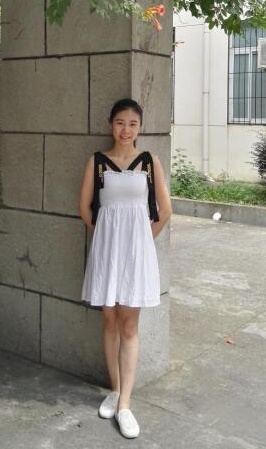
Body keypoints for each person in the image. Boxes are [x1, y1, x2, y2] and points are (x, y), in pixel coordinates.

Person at [78, 98, 172, 439]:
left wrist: (141, 242)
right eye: (120, 122)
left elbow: (165, 210)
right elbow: (84, 209)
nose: (126, 129)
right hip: (107, 253)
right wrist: (108, 237)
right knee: (109, 319)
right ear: (110, 124)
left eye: (132, 124)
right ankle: (115, 390)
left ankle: (126, 406)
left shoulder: (149, 162)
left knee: (129, 325)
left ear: (139, 127)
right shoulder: (97, 162)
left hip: (137, 254)